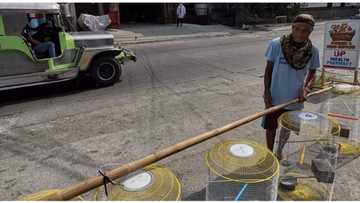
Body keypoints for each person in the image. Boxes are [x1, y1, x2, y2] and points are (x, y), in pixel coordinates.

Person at [262, 14, 320, 159]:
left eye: (305, 30)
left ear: (310, 32)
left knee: (287, 127)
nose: (300, 33)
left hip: (295, 99)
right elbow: (268, 70)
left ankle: (279, 150)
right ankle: (269, 154)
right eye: (298, 29)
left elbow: (313, 73)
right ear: (292, 28)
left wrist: (306, 89)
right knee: (270, 127)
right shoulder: (276, 44)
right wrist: (267, 93)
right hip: (275, 96)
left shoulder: (313, 51)